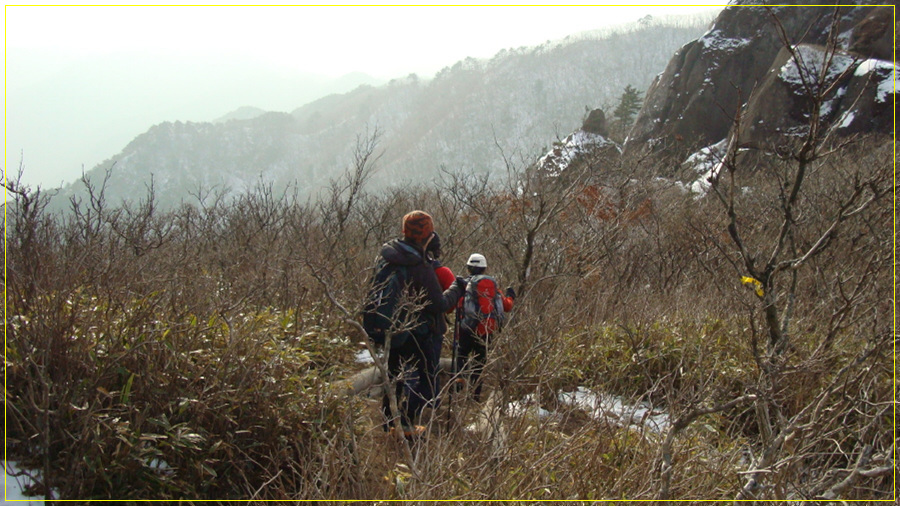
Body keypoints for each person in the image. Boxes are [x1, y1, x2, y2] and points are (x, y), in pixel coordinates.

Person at [375, 211, 466, 437]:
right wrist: (457, 288)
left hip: (393, 329)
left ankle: (390, 424)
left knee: (395, 376)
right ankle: (406, 424)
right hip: (420, 332)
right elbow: (439, 304)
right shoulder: (420, 265)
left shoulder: (387, 257)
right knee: (425, 380)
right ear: (426, 236)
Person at [456, 253, 515, 401]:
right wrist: (511, 296)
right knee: (479, 362)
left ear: (468, 268)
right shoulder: (492, 287)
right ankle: (475, 395)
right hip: (486, 329)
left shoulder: (463, 285)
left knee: (461, 355)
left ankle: (457, 388)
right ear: (484, 269)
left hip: (466, 328)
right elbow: (506, 306)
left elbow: (455, 304)